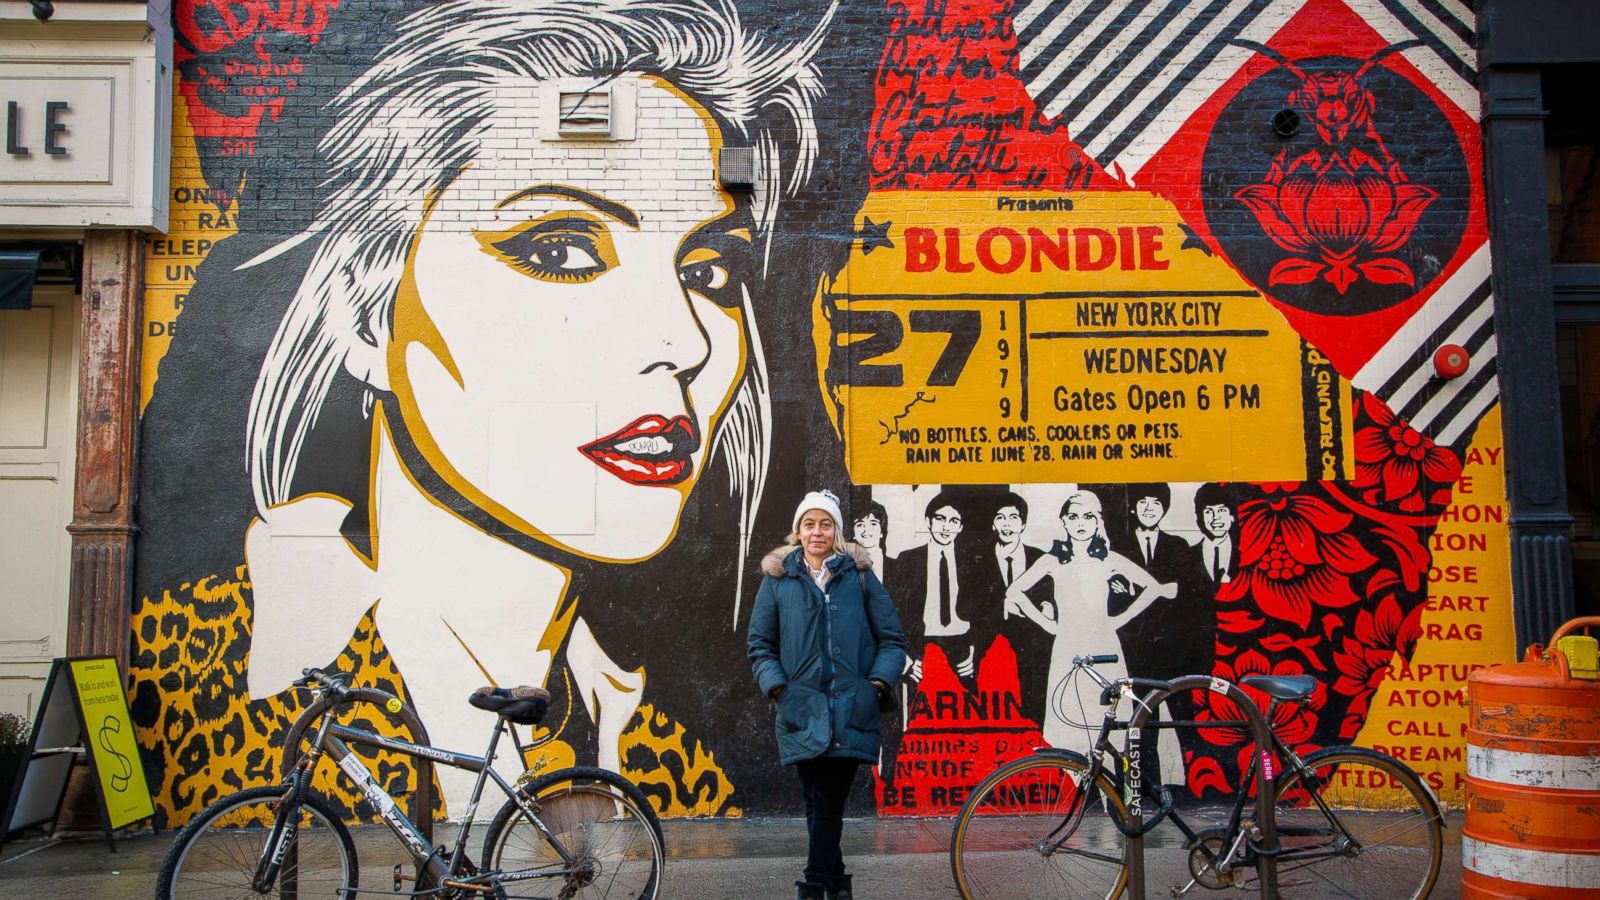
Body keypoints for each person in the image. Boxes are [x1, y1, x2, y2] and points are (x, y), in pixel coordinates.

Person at [233, 0, 833, 810]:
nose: (686, 342)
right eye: (561, 248)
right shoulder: (267, 664)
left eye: (707, 273)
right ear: (367, 309)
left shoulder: (648, 715)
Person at [748, 490, 907, 900]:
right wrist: (779, 688)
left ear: (836, 531)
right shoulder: (778, 579)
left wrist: (874, 686)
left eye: (825, 524)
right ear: (798, 531)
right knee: (815, 802)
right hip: (800, 707)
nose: (816, 532)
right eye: (809, 524)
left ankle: (814, 886)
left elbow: (892, 639)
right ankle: (837, 885)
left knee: (827, 800)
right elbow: (760, 644)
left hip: (852, 707)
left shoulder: (859, 576)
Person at [1005, 491, 1179, 766]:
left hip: (1104, 647)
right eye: (1073, 516)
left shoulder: (1108, 558)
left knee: (1108, 718)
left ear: (1098, 521)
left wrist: (1115, 621)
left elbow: (1153, 588)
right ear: (1063, 521)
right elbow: (1015, 592)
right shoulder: (1053, 560)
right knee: (1068, 719)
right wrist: (1049, 624)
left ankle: (1107, 783)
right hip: (1067, 647)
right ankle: (1079, 784)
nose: (1080, 523)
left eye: (1088, 516)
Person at [888, 490, 992, 683]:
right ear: (928, 521)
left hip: (962, 646)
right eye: (941, 519)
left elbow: (984, 612)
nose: (946, 527)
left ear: (960, 527)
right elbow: (895, 612)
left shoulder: (972, 562)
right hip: (922, 648)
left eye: (954, 521)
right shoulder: (908, 560)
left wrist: (976, 652)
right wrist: (908, 657)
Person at [1195, 482, 1241, 586]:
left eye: (1221, 510)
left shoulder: (1246, 553)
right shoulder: (1190, 555)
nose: (1216, 517)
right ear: (1200, 518)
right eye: (1209, 511)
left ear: (1231, 516)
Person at [851, 498, 892, 583]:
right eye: (860, 524)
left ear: (882, 531)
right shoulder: (845, 568)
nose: (867, 530)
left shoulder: (897, 567)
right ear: (853, 533)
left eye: (873, 523)